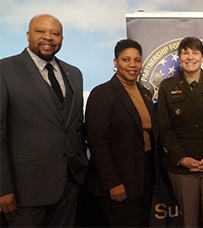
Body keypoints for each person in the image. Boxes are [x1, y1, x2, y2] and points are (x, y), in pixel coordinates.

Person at [0, 14, 88, 227]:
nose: (48, 37)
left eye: (55, 33)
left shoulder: (74, 73)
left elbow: (76, 126)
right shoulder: (4, 70)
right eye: (41, 31)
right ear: (28, 35)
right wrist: (3, 188)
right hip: (25, 190)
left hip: (69, 185)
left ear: (62, 39)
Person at [157, 37, 203, 227]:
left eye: (195, 52)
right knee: (188, 222)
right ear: (179, 57)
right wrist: (181, 158)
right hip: (182, 168)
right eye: (185, 52)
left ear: (202, 57)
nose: (190, 57)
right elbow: (164, 129)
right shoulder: (167, 87)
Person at [84, 39, 159, 227]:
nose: (132, 65)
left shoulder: (145, 92)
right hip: (119, 182)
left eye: (137, 60)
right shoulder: (102, 94)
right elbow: (97, 141)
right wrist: (112, 183)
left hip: (143, 176)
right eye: (126, 60)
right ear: (115, 62)